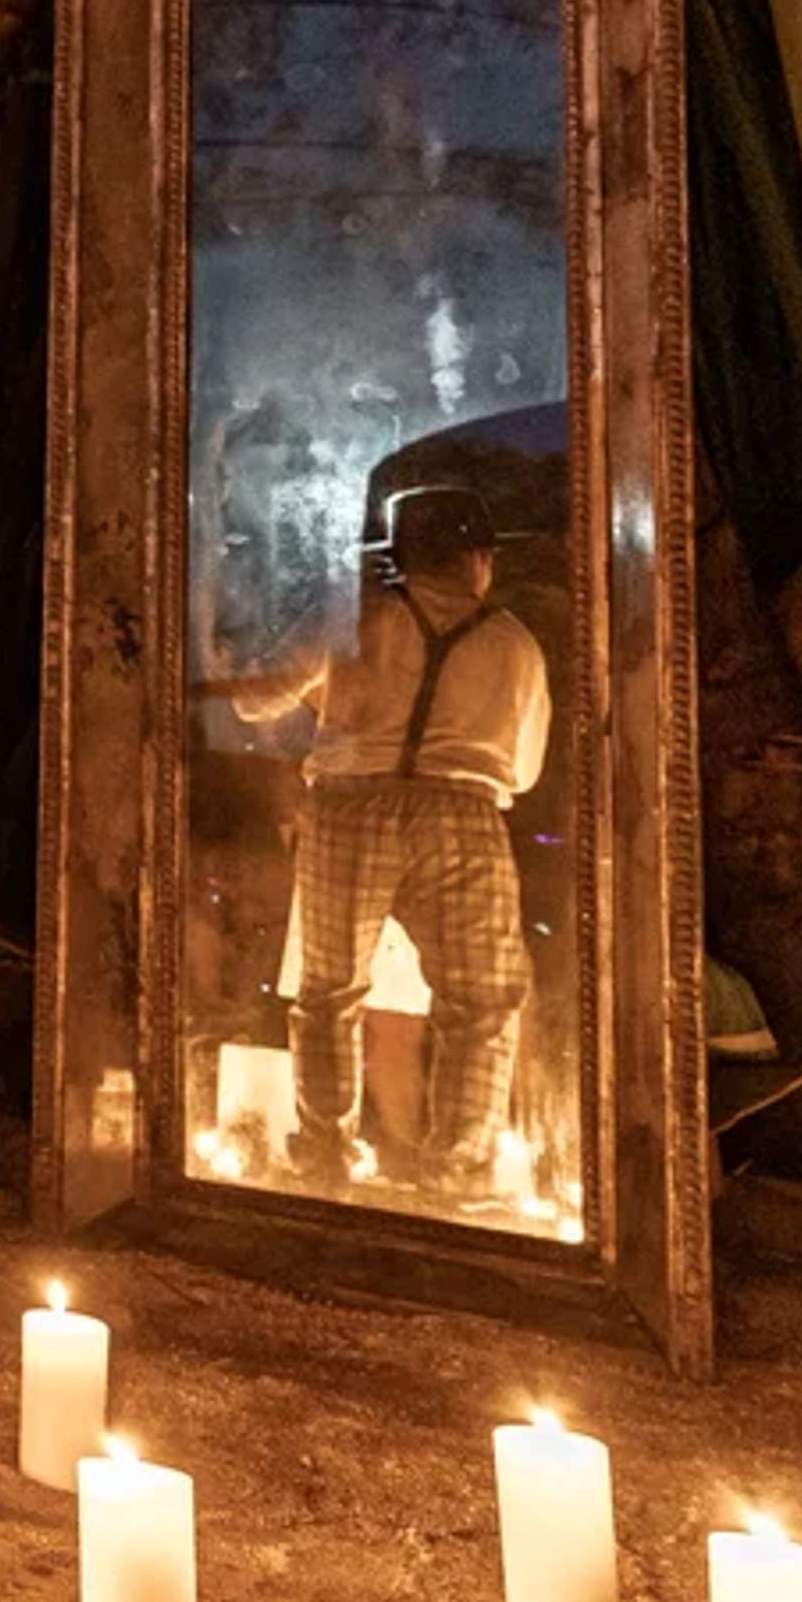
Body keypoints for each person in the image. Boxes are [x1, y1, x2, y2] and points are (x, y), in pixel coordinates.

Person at [214, 482, 550, 1188]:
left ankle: (325, 1155)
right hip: (464, 814)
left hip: (348, 806)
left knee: (330, 993)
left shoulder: (354, 619)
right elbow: (521, 773)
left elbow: (250, 699)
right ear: (479, 559)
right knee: (481, 1003)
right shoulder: (516, 646)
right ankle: (459, 1168)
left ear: (398, 556)